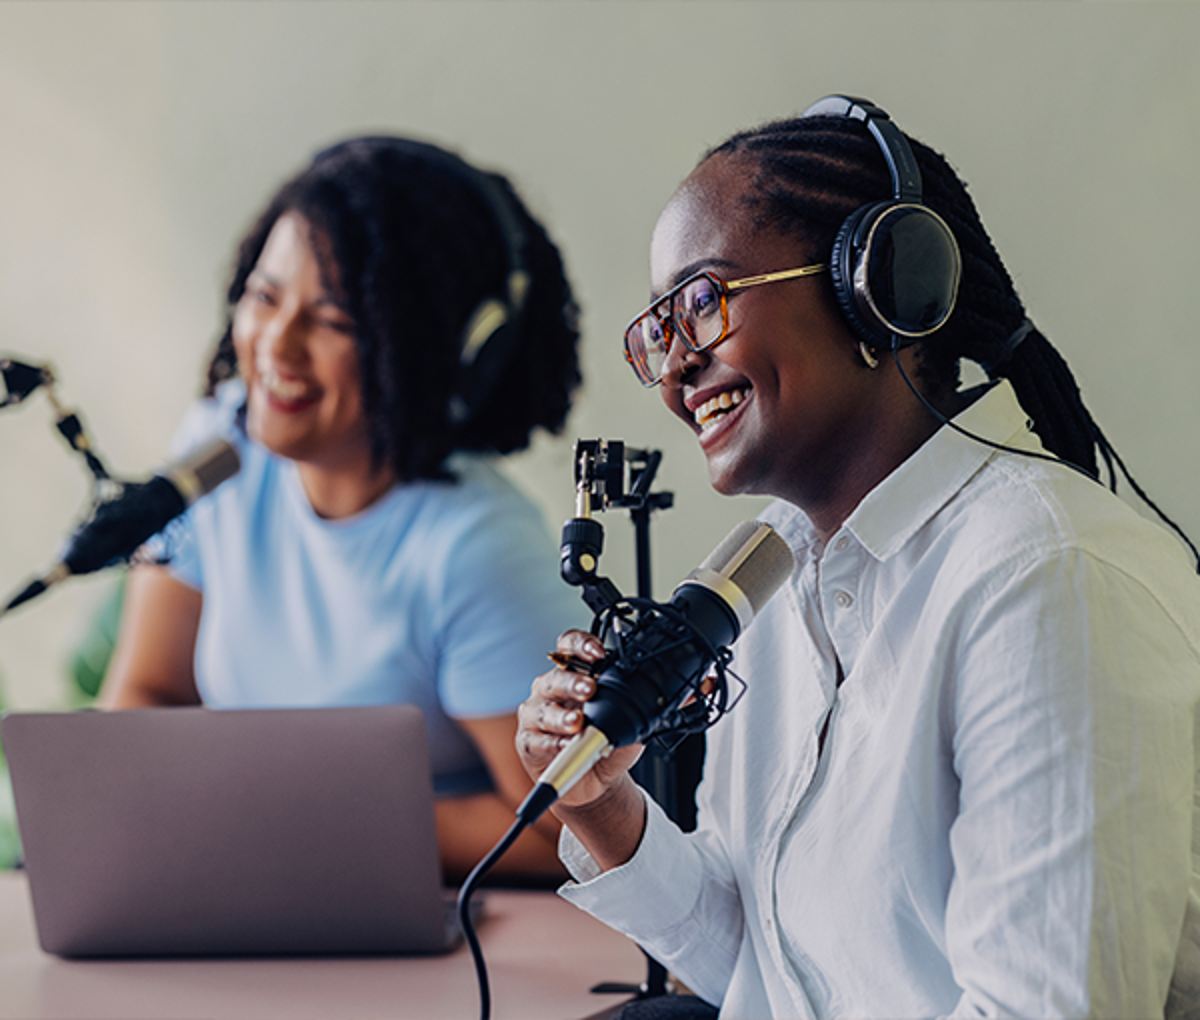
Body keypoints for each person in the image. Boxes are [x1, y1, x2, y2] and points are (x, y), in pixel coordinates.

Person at [517, 96, 1200, 1017]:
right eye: (658, 330)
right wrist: (601, 804)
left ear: (879, 289)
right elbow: (771, 970)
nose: (674, 368)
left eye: (703, 303)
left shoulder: (1049, 580)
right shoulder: (768, 579)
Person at [101, 136, 583, 883]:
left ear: (435, 350)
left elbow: (562, 832)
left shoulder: (479, 548)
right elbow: (149, 691)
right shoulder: (218, 455)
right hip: (249, 889)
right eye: (264, 298)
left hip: (431, 915)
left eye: (332, 319)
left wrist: (305, 823)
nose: (276, 346)